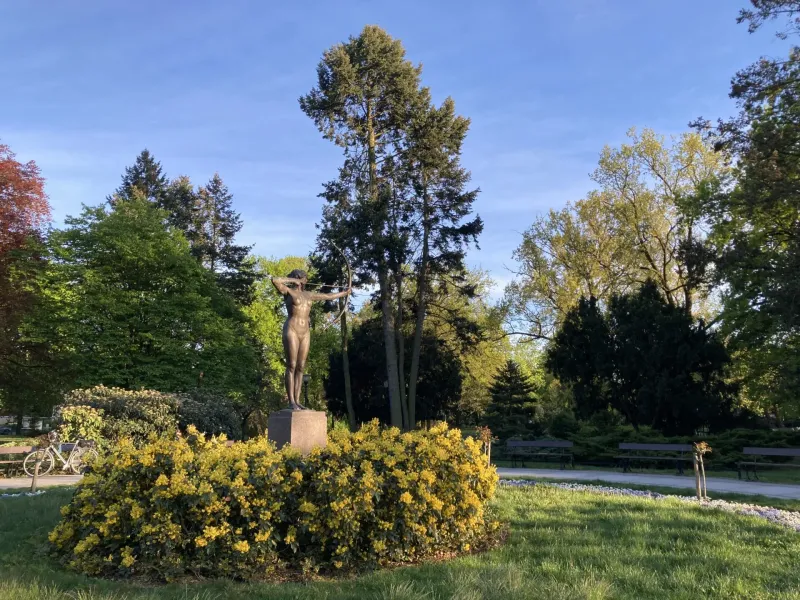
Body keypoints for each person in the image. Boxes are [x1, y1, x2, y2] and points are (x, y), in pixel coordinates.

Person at [270, 269, 350, 410]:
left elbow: (327, 295)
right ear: (296, 278)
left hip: (305, 332)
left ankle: (297, 400)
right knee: (292, 365)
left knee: (301, 367)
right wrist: (293, 281)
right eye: (302, 278)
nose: (304, 280)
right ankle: (291, 401)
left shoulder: (308, 295)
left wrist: (344, 293)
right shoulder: (288, 291)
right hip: (292, 330)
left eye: (304, 278)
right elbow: (275, 280)